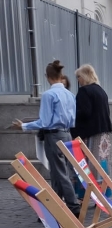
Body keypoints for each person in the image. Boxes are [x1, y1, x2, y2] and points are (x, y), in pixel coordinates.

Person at [12, 60, 80, 215]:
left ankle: (73, 205)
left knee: (59, 173)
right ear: (60, 75)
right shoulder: (70, 94)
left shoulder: (49, 95)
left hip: (54, 136)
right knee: (59, 172)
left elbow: (44, 122)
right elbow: (72, 118)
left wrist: (23, 126)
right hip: (67, 133)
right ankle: (54, 205)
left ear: (47, 76)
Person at [73, 64, 112, 179]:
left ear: (84, 76)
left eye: (78, 77)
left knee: (90, 162)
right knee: (102, 160)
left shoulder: (84, 91)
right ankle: (104, 185)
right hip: (104, 131)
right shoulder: (100, 90)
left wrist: (71, 114)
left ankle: (90, 187)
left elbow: (85, 112)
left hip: (90, 132)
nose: (78, 80)